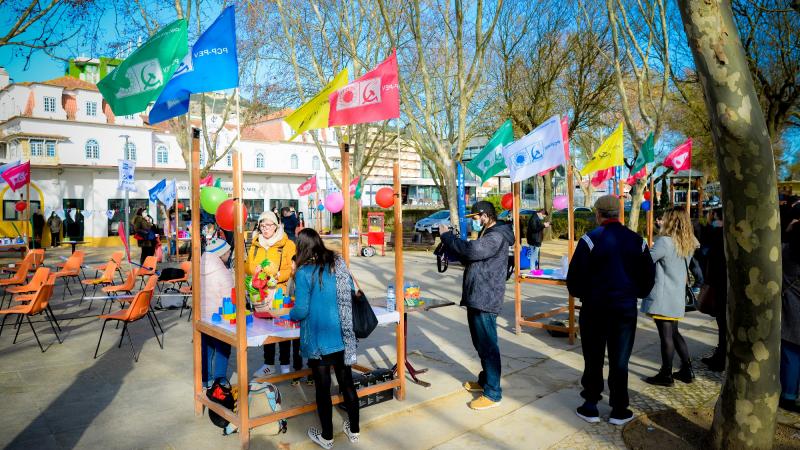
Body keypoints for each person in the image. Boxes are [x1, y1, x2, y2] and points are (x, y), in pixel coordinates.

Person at [567, 195, 655, 426]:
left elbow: (573, 281)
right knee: (620, 360)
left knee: (593, 358)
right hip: (624, 310)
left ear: (598, 214)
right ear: (619, 214)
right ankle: (619, 408)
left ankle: (591, 404)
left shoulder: (589, 240)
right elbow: (648, 280)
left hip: (595, 309)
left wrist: (588, 294)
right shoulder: (638, 241)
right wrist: (631, 293)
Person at [438, 201, 515, 410]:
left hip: (486, 298)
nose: (474, 222)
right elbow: (473, 258)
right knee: (481, 344)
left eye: (476, 218)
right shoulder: (488, 233)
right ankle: (485, 381)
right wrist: (453, 250)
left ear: (486, 215)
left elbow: (472, 251)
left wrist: (447, 237)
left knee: (488, 346)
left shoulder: (496, 235)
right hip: (477, 296)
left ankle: (493, 393)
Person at [289, 228, 360, 448]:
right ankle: (355, 430)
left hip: (318, 339)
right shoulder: (337, 264)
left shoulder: (303, 273)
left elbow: (300, 311)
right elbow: (350, 290)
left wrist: (287, 314)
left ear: (301, 247)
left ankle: (327, 437)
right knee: (347, 383)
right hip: (341, 335)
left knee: (323, 389)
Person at [640, 207, 699, 386]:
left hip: (663, 296)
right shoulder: (688, 242)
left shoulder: (665, 242)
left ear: (671, 221)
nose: (662, 221)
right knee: (674, 333)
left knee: (666, 336)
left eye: (665, 218)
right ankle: (687, 370)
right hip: (676, 295)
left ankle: (666, 374)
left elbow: (645, 262)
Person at [247, 210, 297, 377]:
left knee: (283, 329)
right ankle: (268, 364)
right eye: (262, 225)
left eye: (268, 225)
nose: (265, 228)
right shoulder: (255, 244)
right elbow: (247, 266)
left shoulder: (287, 244)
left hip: (280, 292)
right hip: (261, 294)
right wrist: (254, 271)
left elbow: (291, 269)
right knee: (265, 329)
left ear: (276, 226)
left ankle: (285, 364)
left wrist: (277, 276)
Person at [200, 237, 237, 435]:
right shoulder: (222, 272)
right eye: (228, 252)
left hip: (203, 317)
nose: (230, 254)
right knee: (223, 349)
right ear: (222, 253)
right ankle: (220, 380)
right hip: (221, 318)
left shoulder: (200, 265)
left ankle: (204, 381)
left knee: (206, 349)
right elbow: (231, 295)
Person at [700, 208, 727, 372]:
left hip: (719, 284)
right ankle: (720, 355)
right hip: (723, 284)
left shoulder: (717, 234)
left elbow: (705, 252)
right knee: (723, 324)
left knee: (722, 324)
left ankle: (721, 357)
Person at [780, 208, 800, 413]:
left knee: (791, 354)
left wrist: (789, 229)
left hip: (792, 310)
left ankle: (788, 395)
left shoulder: (787, 252)